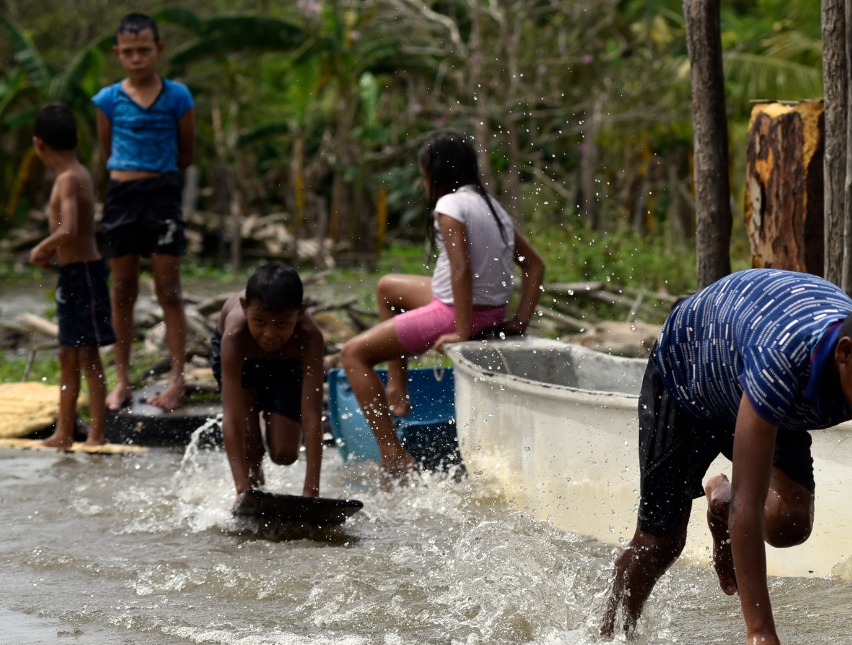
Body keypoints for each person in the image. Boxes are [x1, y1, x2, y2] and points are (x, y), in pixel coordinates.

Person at [599, 269, 852, 645]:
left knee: (789, 522)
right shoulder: (784, 361)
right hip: (690, 373)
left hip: (753, 372)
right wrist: (761, 634)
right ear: (845, 354)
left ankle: (719, 499)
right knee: (659, 544)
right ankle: (608, 643)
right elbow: (749, 506)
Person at [341, 130, 545, 479]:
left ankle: (393, 456)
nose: (423, 184)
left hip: (456, 313)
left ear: (434, 174)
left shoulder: (449, 205)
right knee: (387, 287)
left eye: (423, 176)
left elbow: (461, 268)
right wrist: (519, 321)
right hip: (488, 310)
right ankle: (396, 386)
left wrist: (460, 332)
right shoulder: (491, 205)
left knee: (352, 354)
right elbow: (535, 265)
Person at [93, 12, 196, 413]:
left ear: (159, 50)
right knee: (122, 291)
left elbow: (187, 151)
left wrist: (157, 175)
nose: (137, 58)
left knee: (169, 291)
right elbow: (107, 151)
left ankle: (176, 380)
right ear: (118, 53)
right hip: (122, 196)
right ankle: (121, 381)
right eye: (129, 52)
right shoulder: (107, 99)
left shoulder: (177, 96)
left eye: (144, 50)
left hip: (163, 194)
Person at [28, 103, 115, 450]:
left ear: (39, 145)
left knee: (87, 356)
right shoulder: (76, 174)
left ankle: (95, 434)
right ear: (77, 139)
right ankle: (64, 431)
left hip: (85, 276)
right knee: (68, 354)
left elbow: (71, 228)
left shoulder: (69, 178)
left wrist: (42, 247)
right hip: (72, 275)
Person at [212, 263, 326, 502]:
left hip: (286, 363)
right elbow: (231, 417)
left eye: (282, 324)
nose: (270, 334)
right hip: (243, 360)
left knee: (285, 454)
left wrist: (311, 492)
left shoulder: (310, 337)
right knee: (250, 445)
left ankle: (264, 418)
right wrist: (242, 491)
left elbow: (312, 414)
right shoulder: (234, 337)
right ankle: (253, 491)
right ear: (244, 308)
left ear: (301, 312)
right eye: (260, 321)